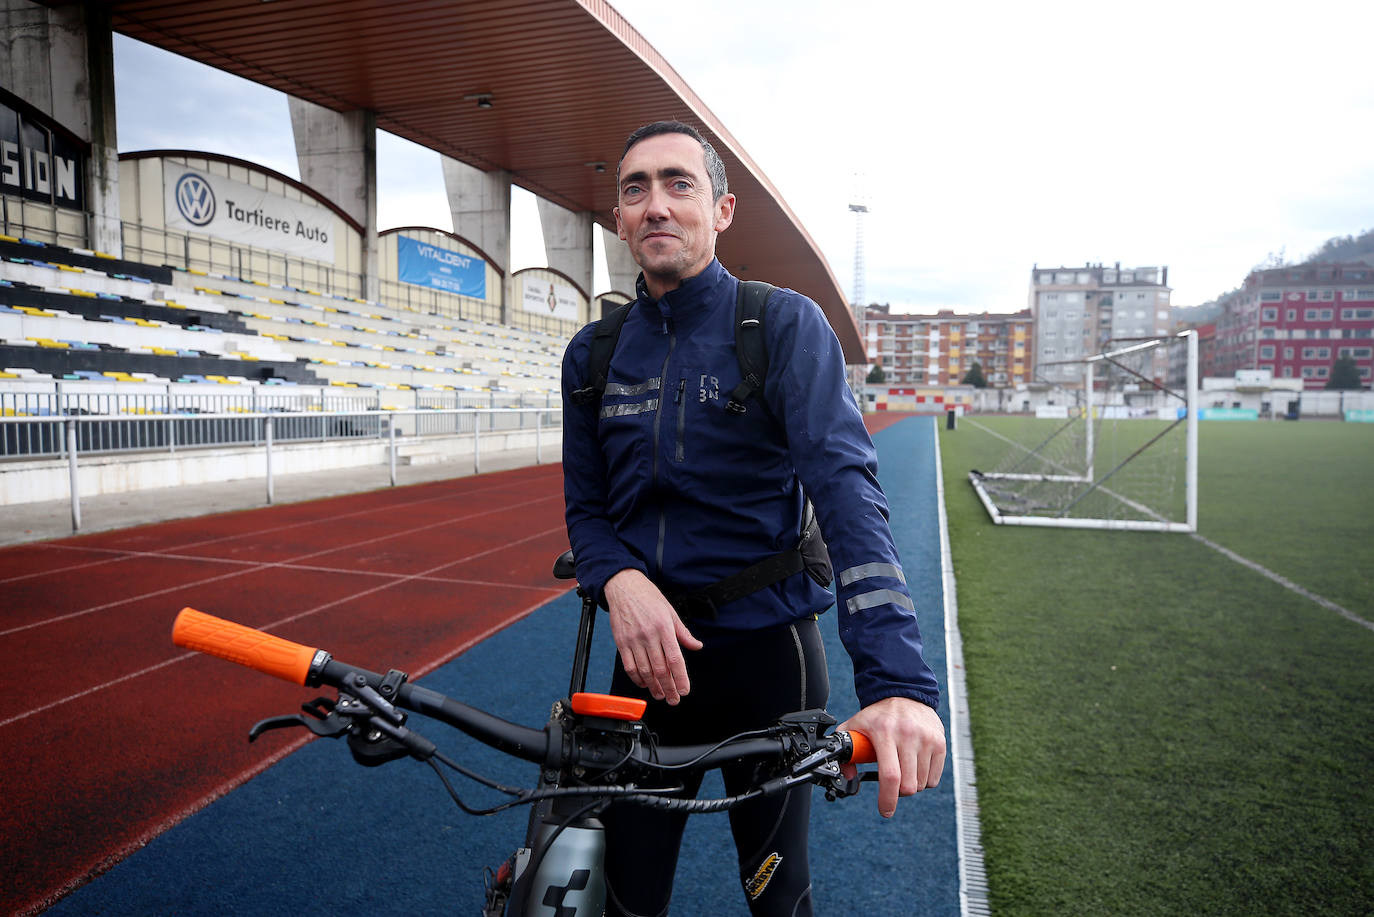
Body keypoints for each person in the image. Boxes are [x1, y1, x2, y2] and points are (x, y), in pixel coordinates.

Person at [561, 120, 946, 917]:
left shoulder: (781, 325)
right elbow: (587, 512)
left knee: (777, 898)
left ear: (722, 210)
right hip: (645, 669)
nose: (656, 204)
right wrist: (621, 579)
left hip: (770, 666)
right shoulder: (593, 355)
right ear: (620, 218)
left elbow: (849, 498)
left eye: (679, 183)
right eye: (636, 188)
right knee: (623, 899)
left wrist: (899, 684)